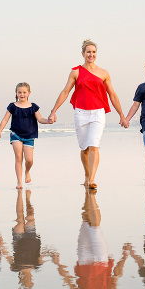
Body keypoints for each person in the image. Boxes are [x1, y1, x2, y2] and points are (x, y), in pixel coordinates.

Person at [43, 188, 129, 289]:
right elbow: (116, 275)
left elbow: (69, 281)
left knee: (85, 221)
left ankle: (87, 190)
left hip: (83, 259)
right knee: (95, 227)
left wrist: (58, 263)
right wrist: (125, 256)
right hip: (101, 260)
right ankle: (91, 195)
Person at [48, 39, 129, 189]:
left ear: (96, 54)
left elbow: (112, 95)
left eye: (93, 52)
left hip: (98, 113)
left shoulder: (104, 73)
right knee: (84, 148)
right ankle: (86, 174)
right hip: (81, 113)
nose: (91, 55)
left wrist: (122, 115)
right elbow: (65, 92)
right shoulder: (76, 72)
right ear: (83, 53)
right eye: (88, 52)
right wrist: (53, 111)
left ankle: (92, 179)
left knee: (94, 145)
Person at [0, 82, 51, 188]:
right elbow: (5, 119)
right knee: (18, 158)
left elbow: (40, 119)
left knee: (29, 160)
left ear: (29, 93)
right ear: (16, 93)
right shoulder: (12, 106)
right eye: (19, 92)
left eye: (24, 92)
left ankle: (27, 171)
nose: (22, 94)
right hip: (15, 134)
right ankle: (19, 181)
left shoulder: (33, 107)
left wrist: (48, 121)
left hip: (29, 135)